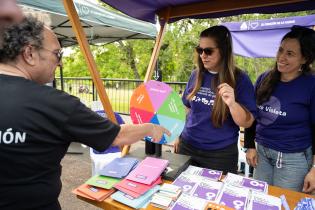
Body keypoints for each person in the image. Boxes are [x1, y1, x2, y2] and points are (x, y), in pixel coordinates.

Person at [0, 16, 171, 210]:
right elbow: (116, 136)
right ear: (29, 53)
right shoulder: (56, 103)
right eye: (57, 54)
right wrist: (150, 127)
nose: (60, 63)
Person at [174, 25, 256, 174]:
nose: (203, 55)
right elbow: (185, 109)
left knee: (214, 197)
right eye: (200, 50)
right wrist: (177, 134)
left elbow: (247, 122)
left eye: (208, 51)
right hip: (187, 146)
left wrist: (232, 103)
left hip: (220, 155)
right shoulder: (196, 75)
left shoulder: (240, 79)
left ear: (223, 51)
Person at [245, 26, 315, 193]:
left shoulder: (311, 85)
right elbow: (251, 115)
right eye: (281, 50)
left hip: (293, 159)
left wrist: (314, 169)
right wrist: (250, 145)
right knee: (260, 200)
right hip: (261, 154)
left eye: (290, 54)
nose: (281, 57)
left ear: (304, 59)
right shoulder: (264, 78)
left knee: (283, 204)